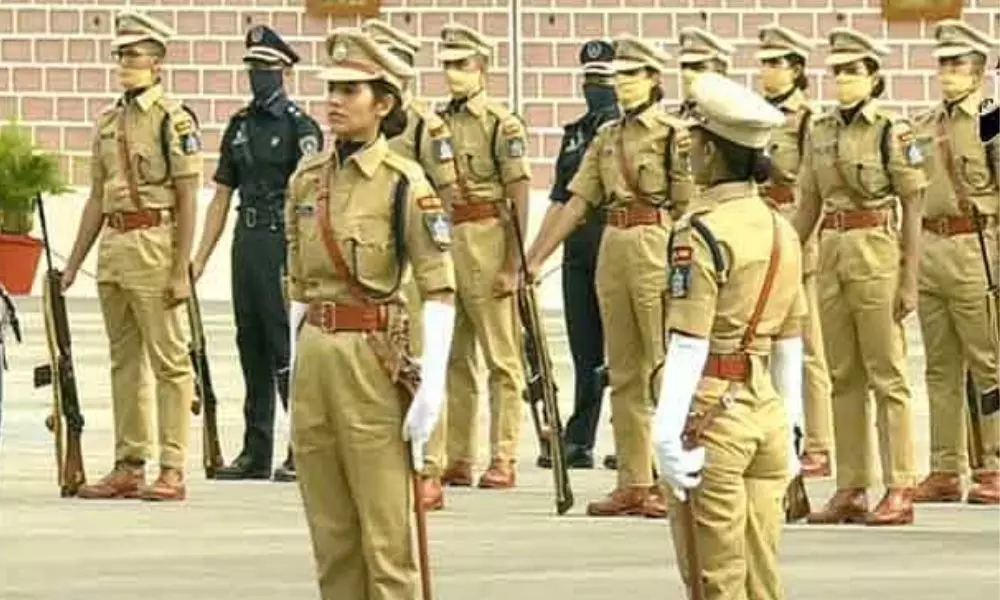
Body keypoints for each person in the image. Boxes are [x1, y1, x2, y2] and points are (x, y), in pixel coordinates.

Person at [285, 28, 456, 600]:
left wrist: (431, 388)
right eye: (331, 88)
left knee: (386, 539)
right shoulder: (307, 179)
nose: (334, 100)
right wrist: (294, 366)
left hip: (372, 361)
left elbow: (438, 289)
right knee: (331, 538)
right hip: (317, 358)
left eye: (350, 90)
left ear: (383, 104)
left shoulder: (404, 185)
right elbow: (301, 288)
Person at [525, 35, 695, 518]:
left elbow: (687, 208)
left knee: (660, 367)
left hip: (654, 243)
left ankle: (669, 479)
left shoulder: (670, 136)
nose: (620, 85)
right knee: (621, 371)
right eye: (618, 76)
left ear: (654, 80)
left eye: (631, 75)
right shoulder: (606, 137)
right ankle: (632, 480)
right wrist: (537, 258)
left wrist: (685, 265)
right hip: (613, 246)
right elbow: (577, 200)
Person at [651, 71, 801, 600]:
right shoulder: (780, 226)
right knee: (763, 575)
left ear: (712, 154)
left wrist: (666, 429)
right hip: (766, 410)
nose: (688, 157)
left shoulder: (702, 229)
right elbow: (789, 338)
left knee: (715, 578)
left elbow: (689, 340)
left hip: (712, 411)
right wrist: (796, 419)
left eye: (694, 146)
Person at [61, 10, 201, 501]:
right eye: (121, 54)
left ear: (157, 62)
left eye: (134, 54)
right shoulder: (109, 121)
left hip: (155, 245)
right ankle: (128, 461)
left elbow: (187, 195)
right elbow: (97, 197)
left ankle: (173, 465)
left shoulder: (173, 120)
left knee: (170, 361)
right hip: (115, 251)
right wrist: (75, 262)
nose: (125, 62)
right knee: (124, 362)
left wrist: (182, 267)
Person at [793, 27, 928, 526]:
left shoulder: (892, 130)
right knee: (842, 375)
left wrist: (909, 277)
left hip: (876, 251)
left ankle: (899, 487)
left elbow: (912, 204)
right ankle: (851, 484)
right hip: (832, 251)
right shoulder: (821, 129)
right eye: (838, 72)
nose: (844, 80)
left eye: (853, 71)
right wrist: (784, 258)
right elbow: (807, 202)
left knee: (886, 374)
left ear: (874, 77)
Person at [191, 24, 323, 483]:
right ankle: (256, 449)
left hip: (281, 242)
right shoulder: (240, 125)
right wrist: (200, 257)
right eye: (252, 68)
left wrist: (304, 257)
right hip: (246, 241)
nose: (258, 76)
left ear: (284, 70)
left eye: (266, 68)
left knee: (284, 344)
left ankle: (300, 447)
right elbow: (222, 194)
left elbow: (310, 195)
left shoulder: (300, 127)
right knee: (250, 344)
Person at [361, 17, 459, 510]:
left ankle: (429, 464)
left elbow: (443, 195)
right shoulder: (362, 123)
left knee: (420, 360)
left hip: (412, 250)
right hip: (374, 260)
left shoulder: (425, 125)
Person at [434, 22, 530, 490]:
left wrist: (514, 264)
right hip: (451, 236)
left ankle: (504, 455)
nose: (454, 74)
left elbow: (519, 194)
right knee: (455, 357)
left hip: (490, 236)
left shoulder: (500, 123)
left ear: (482, 68)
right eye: (448, 65)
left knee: (501, 357)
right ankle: (459, 456)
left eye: (462, 65)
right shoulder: (440, 121)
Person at [910, 20, 999, 505]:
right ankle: (945, 466)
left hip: (976, 247)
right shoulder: (925, 124)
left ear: (979, 71)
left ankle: (995, 464)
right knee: (940, 367)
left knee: (990, 364)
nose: (948, 73)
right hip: (933, 247)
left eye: (958, 64)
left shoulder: (992, 116)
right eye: (943, 64)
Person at [755, 23, 834, 478]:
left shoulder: (807, 121)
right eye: (764, 62)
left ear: (797, 69)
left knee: (808, 347)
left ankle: (819, 443)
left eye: (776, 63)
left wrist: (806, 242)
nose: (767, 71)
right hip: (761, 231)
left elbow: (815, 188)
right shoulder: (758, 115)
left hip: (795, 228)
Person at [671, 26, 735, 122]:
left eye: (698, 68)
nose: (687, 74)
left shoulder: (734, 121)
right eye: (684, 67)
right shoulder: (672, 120)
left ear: (721, 72)